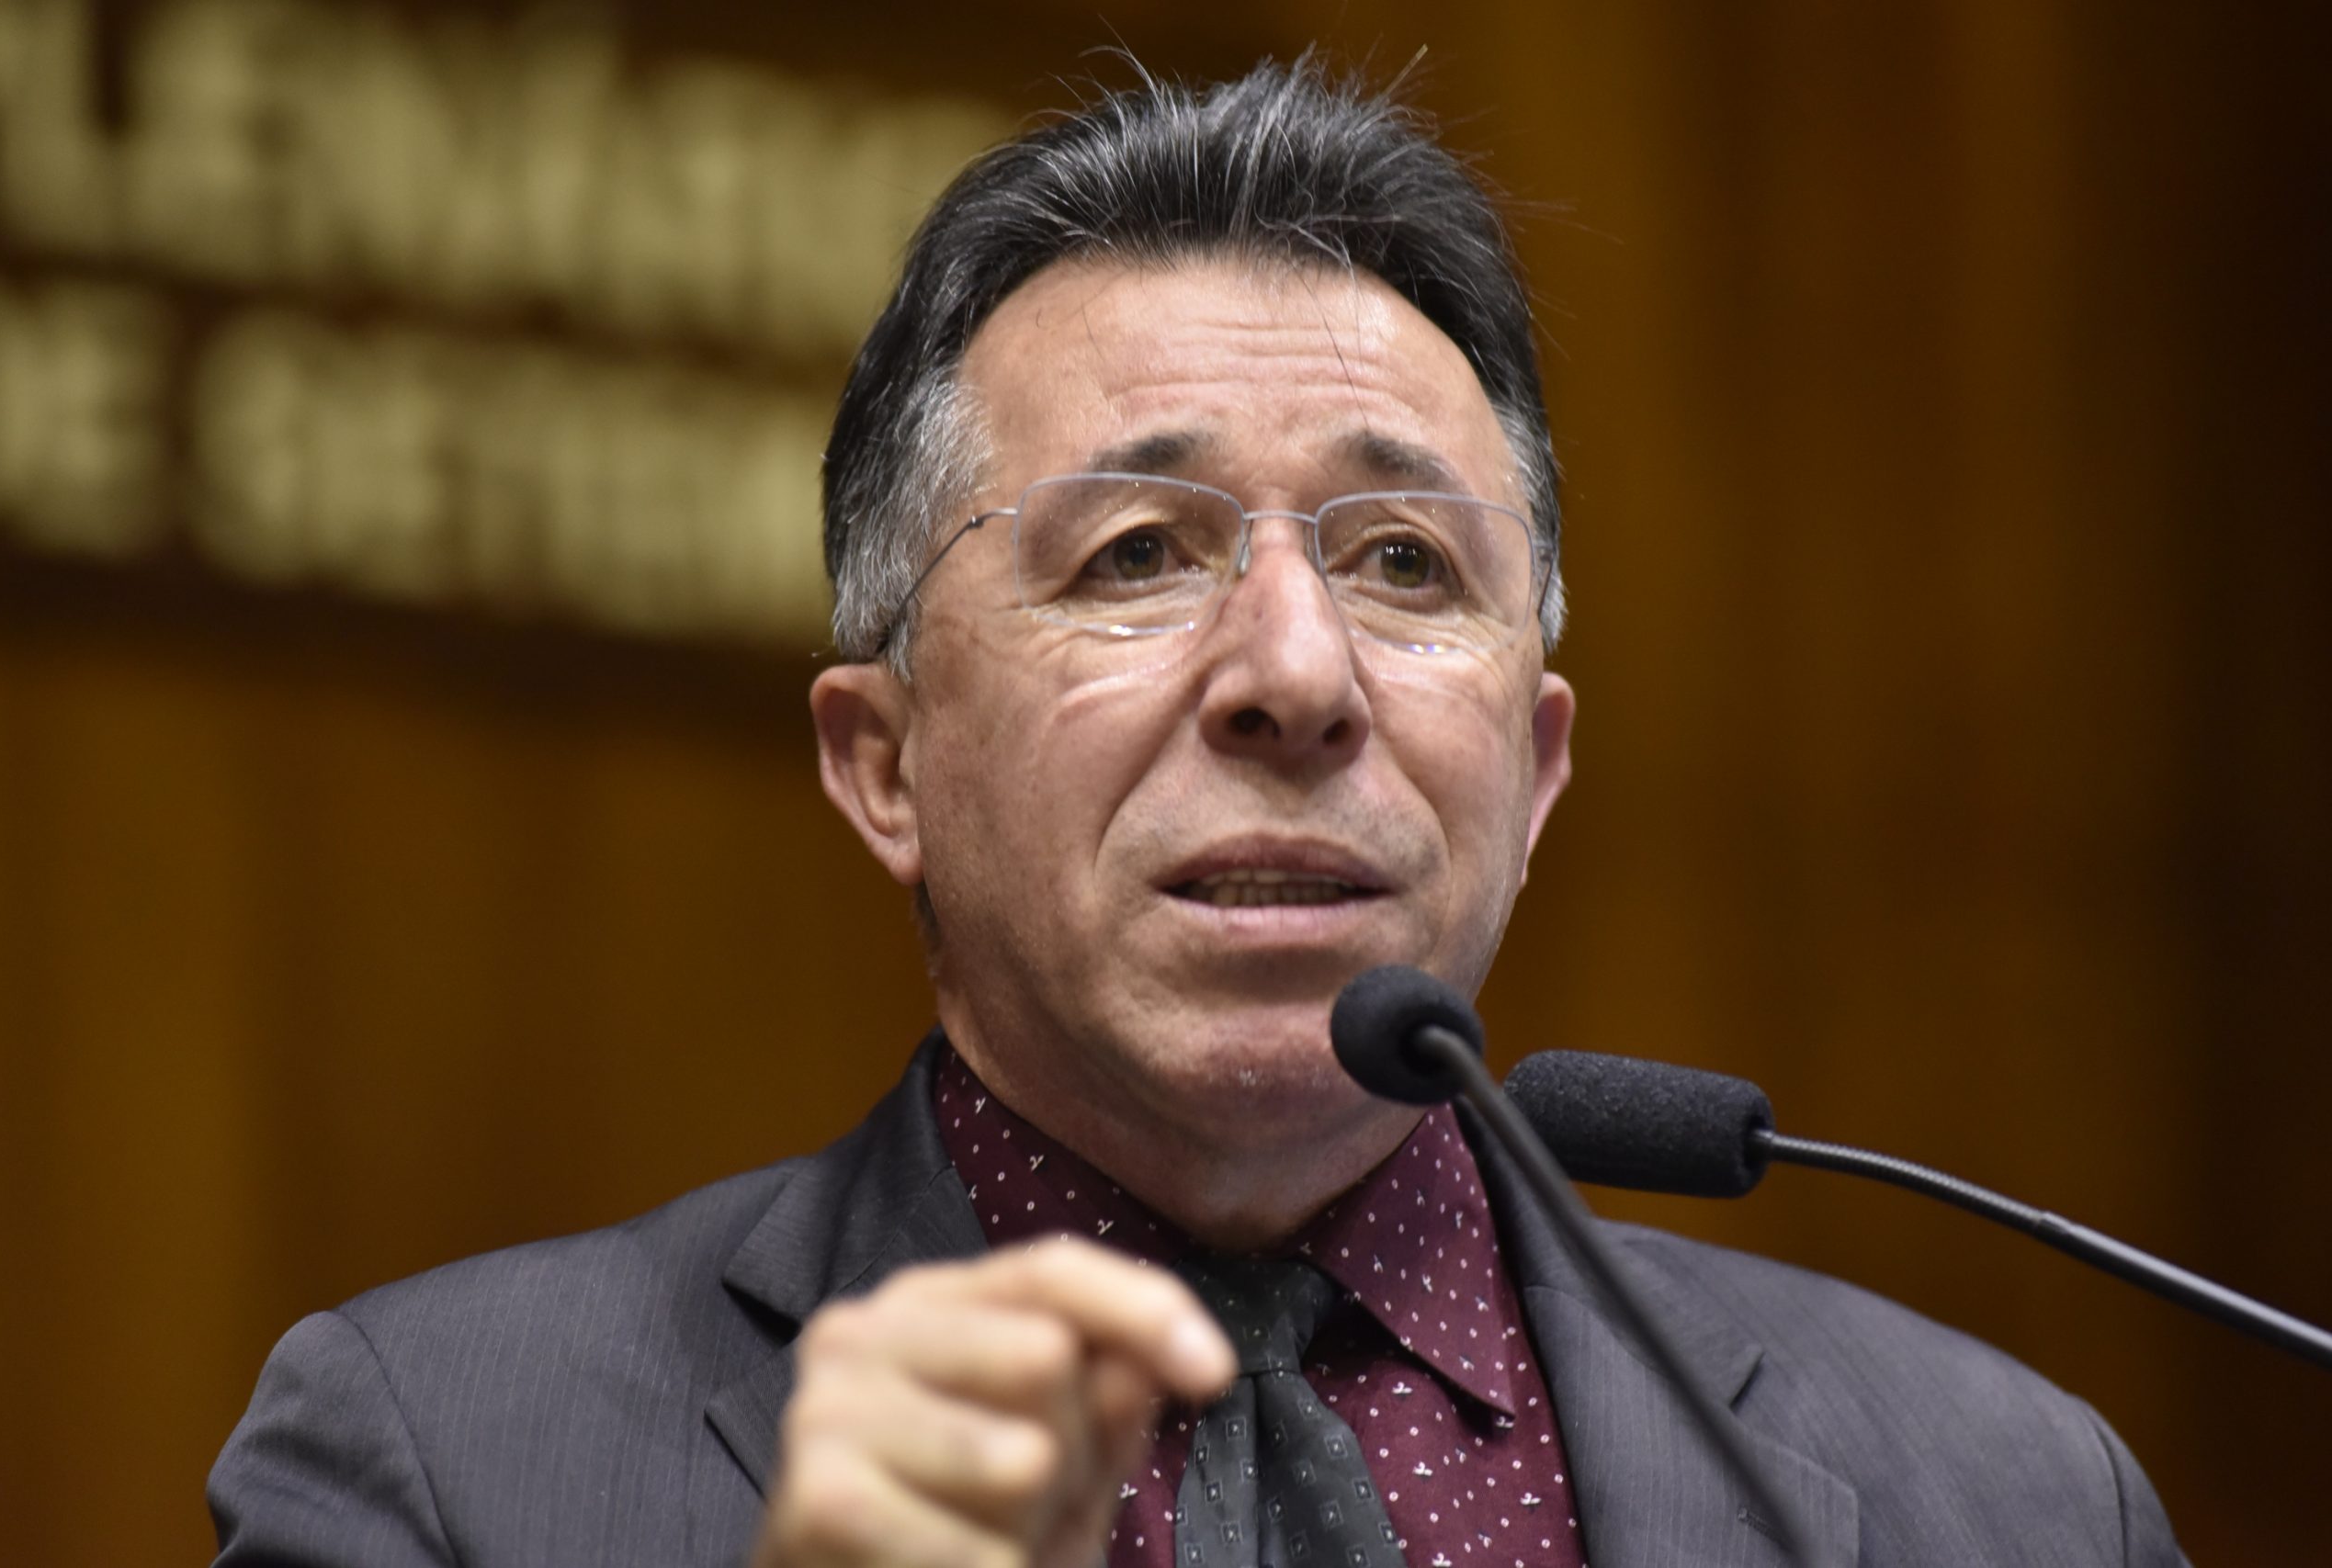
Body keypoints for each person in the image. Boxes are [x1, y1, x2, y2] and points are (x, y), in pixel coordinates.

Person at [209, 60, 2186, 1568]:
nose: (1296, 674)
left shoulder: (2010, 1499)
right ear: (884, 764)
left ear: (1534, 775)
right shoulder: (438, 1457)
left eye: (1405, 562)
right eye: (1140, 551)